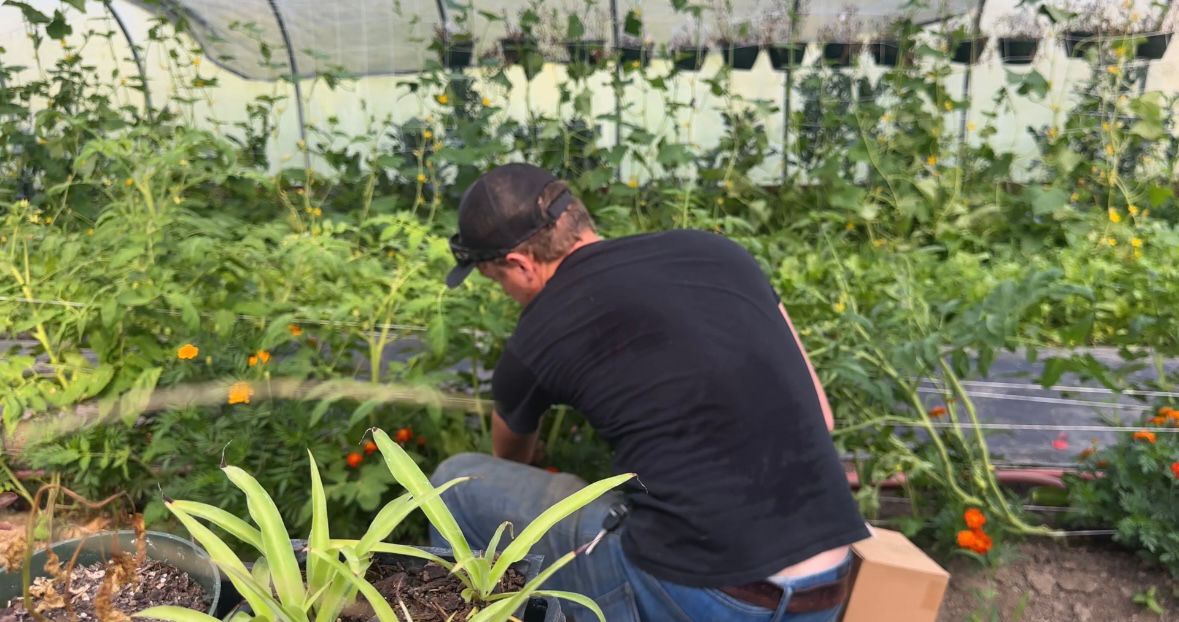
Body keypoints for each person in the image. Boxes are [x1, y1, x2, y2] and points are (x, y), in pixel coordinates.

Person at [429, 163, 870, 622]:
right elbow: (822, 415)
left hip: (702, 595)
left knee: (455, 487)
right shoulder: (718, 252)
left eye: (495, 280)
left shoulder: (538, 333)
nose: (505, 293)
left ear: (520, 265)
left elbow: (511, 458)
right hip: (826, 587)